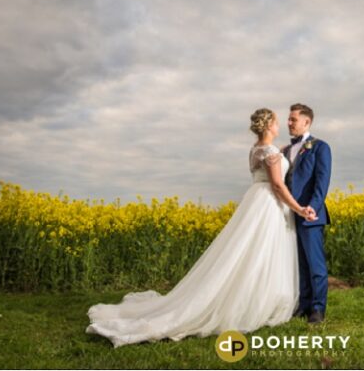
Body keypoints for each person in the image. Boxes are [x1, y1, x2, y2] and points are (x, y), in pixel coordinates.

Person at [85, 108, 317, 347]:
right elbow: (278, 186)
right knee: (260, 253)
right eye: (278, 122)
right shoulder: (270, 151)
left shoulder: (258, 149)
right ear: (269, 126)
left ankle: (259, 298)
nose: (281, 126)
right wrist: (300, 209)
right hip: (268, 202)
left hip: (256, 199)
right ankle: (256, 303)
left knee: (251, 253)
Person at [283, 103, 332, 324]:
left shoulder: (321, 147)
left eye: (293, 119)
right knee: (299, 264)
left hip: (311, 214)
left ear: (307, 122)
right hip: (289, 214)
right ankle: (303, 305)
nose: (289, 123)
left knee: (315, 264)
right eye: (289, 119)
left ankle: (318, 309)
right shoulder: (284, 150)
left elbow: (322, 181)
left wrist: (313, 206)